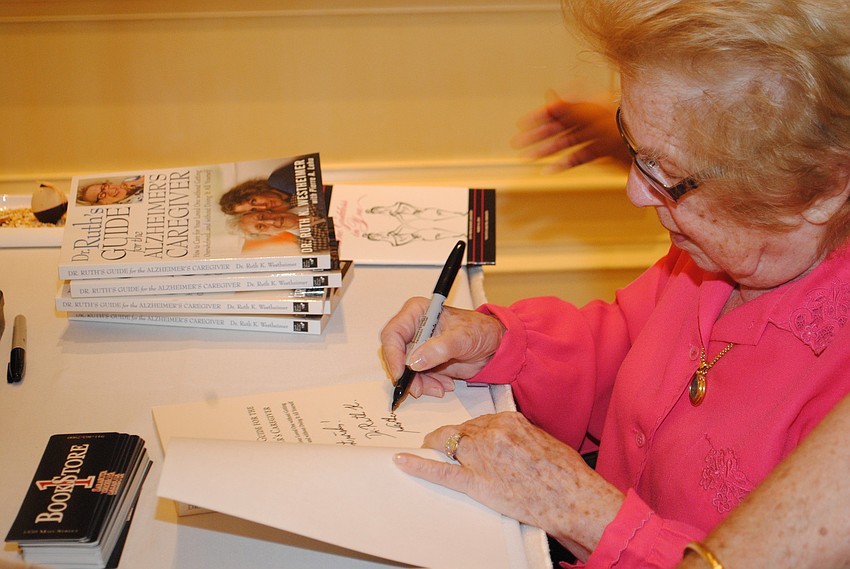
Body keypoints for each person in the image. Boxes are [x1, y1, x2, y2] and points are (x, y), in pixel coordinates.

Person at [380, 1, 850, 567]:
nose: (633, 192)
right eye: (632, 147)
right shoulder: (717, 256)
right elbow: (629, 342)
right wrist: (499, 344)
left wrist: (581, 511)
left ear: (823, 188)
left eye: (669, 176)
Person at [77, 176, 144, 205]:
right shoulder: (129, 205)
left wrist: (137, 182)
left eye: (104, 187)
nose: (109, 190)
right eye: (102, 195)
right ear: (103, 203)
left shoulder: (129, 180)